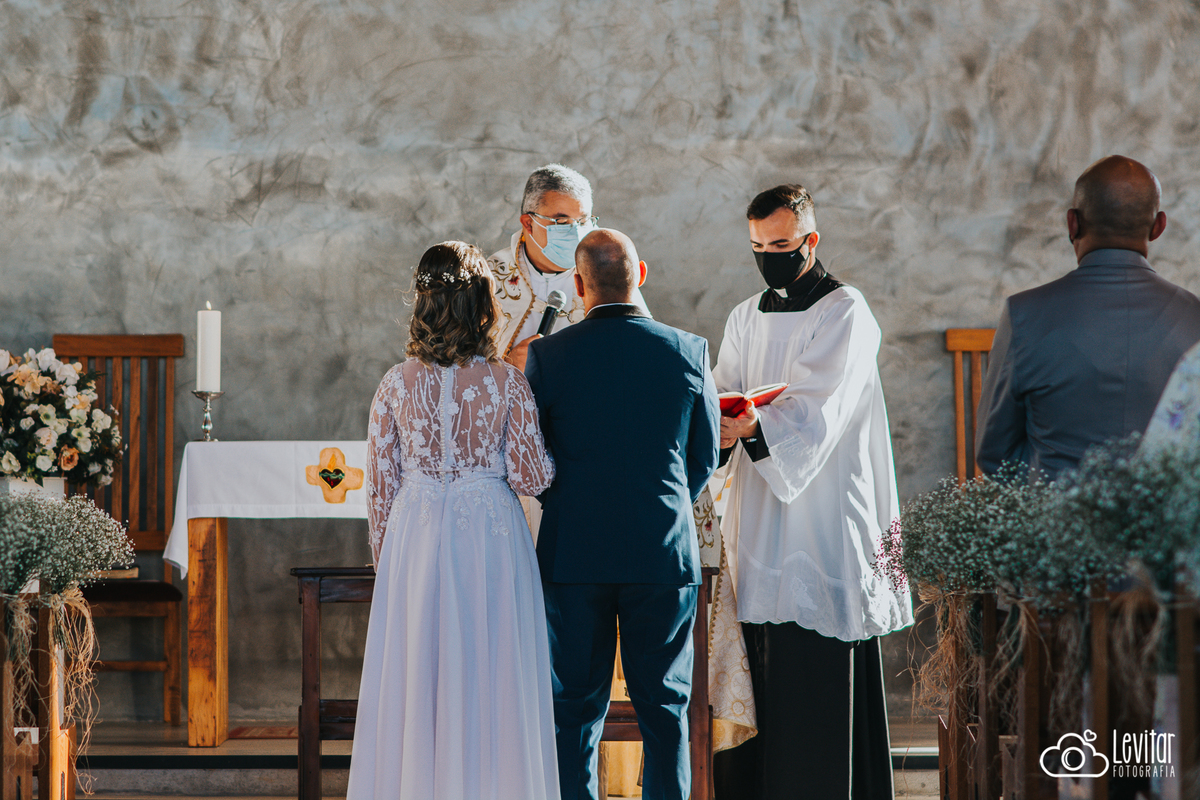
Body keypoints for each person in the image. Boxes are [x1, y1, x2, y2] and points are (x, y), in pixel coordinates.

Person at [711, 184, 913, 799]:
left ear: (810, 240)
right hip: (757, 511)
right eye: (757, 247)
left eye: (780, 246)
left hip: (825, 513)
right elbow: (723, 388)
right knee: (761, 662)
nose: (768, 257)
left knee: (815, 671)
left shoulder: (845, 310)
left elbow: (821, 408)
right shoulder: (744, 316)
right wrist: (722, 421)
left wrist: (756, 426)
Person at [347, 242, 559, 800]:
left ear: (424, 303)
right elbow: (533, 476)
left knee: (420, 672)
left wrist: (388, 566)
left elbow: (380, 489)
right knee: (492, 668)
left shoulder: (394, 383)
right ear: (484, 306)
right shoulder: (507, 382)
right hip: (488, 534)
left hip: (415, 538)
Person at [525, 229, 720, 800]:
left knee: (573, 708)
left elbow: (533, 457)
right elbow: (704, 456)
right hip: (661, 552)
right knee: (665, 708)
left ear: (578, 284)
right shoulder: (688, 350)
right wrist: (661, 505)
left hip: (574, 553)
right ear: (641, 275)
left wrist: (571, 505)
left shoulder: (548, 355)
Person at [976, 155, 1200, 480]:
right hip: (1166, 514)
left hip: (1054, 512)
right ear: (1158, 226)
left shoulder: (1023, 313)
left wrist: (1053, 488)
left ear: (1073, 223)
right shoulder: (1194, 316)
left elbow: (995, 454)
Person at [489, 163, 646, 370]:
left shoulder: (604, 271)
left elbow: (637, 349)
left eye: (583, 221)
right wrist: (507, 365)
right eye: (561, 223)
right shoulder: (490, 278)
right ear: (528, 223)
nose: (576, 233)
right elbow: (460, 363)